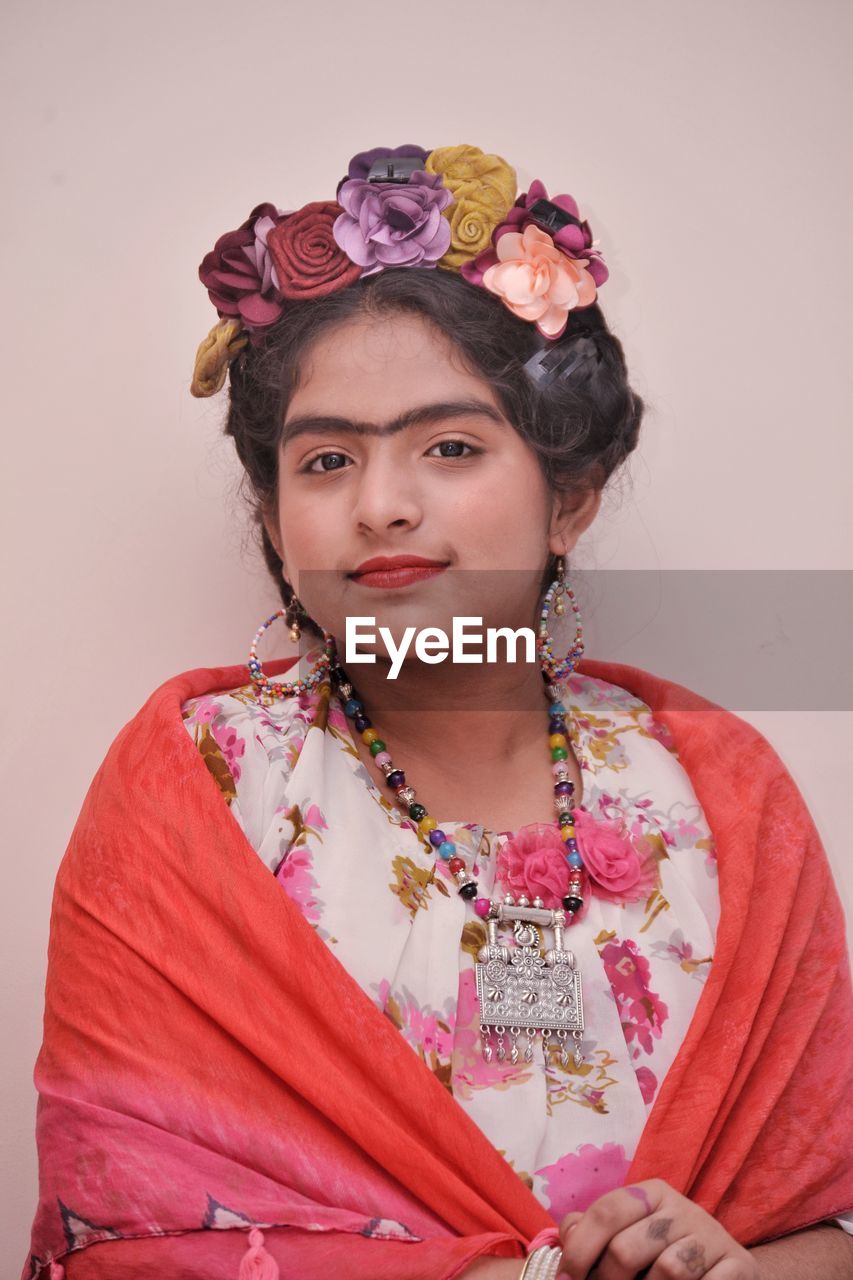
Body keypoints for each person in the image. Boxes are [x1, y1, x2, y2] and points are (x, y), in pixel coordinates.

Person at [23, 144, 853, 1280]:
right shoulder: (200, 790)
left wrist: (734, 1269)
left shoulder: (716, 791)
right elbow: (133, 1243)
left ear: (569, 496)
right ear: (274, 520)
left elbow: (829, 1214)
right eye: (323, 462)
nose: (381, 505)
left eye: (450, 447)